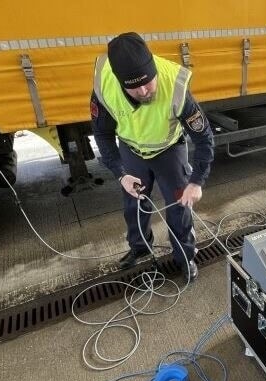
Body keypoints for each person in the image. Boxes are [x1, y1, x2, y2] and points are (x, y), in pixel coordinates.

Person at [91, 32, 215, 281]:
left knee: (180, 205)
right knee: (133, 204)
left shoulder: (175, 85)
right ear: (119, 80)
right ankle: (139, 247)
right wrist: (121, 174)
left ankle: (185, 256)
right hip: (131, 152)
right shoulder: (105, 85)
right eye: (135, 86)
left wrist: (196, 181)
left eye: (149, 81)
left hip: (170, 151)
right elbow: (102, 135)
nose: (145, 90)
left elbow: (204, 139)